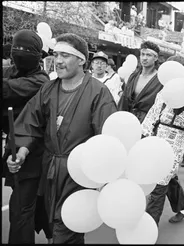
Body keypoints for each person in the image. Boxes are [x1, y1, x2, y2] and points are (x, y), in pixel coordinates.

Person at [6, 33, 117, 244]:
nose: (57, 61)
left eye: (65, 55)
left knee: (67, 229)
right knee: (52, 225)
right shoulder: (49, 88)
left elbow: (107, 140)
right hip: (49, 171)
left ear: (82, 60)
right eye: (56, 54)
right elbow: (31, 122)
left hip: (78, 174)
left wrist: (103, 179)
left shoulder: (98, 93)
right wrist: (21, 151)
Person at [2, 29, 52, 244]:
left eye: (26, 50)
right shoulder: (9, 71)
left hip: (32, 151)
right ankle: (53, 233)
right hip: (11, 148)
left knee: (21, 209)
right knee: (29, 202)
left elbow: (8, 90)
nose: (19, 53)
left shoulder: (41, 80)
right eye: (16, 49)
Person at [141, 55, 184, 226]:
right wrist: (143, 134)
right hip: (155, 138)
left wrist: (183, 103)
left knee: (159, 182)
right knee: (169, 177)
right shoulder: (162, 91)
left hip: (174, 142)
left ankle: (149, 224)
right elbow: (153, 113)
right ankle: (183, 207)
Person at [117, 41, 163, 123]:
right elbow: (123, 101)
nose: (144, 58)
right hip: (127, 120)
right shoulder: (133, 77)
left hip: (147, 123)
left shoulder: (160, 80)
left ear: (155, 58)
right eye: (142, 54)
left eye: (148, 55)